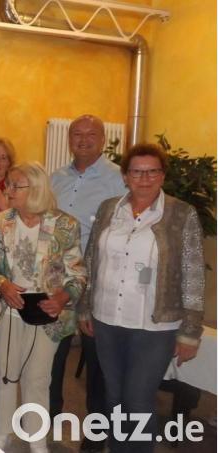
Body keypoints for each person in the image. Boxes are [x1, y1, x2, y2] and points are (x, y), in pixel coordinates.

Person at [78, 143, 204, 453]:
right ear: (125, 176)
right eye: (137, 171)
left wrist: (190, 331)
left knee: (137, 399)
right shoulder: (109, 209)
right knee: (114, 397)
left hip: (154, 326)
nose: (144, 178)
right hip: (107, 319)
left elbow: (193, 274)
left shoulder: (181, 213)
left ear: (162, 175)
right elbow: (91, 260)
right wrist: (84, 307)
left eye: (152, 172)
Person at [0, 162, 86, 452]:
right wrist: (2, 284)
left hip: (47, 312)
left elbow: (78, 274)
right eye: (8, 185)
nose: (8, 190)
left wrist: (63, 298)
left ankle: (37, 439)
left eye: (15, 185)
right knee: (4, 373)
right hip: (8, 310)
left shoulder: (66, 225)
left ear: (36, 189)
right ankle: (2, 431)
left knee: (39, 378)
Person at [49, 114, 126, 452]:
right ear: (69, 140)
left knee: (98, 367)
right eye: (76, 134)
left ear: (103, 139)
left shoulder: (118, 180)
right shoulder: (55, 178)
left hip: (98, 284)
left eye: (90, 134)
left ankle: (95, 438)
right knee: (51, 361)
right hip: (58, 283)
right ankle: (48, 423)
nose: (83, 140)